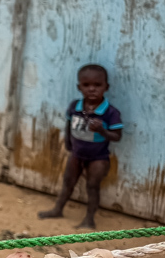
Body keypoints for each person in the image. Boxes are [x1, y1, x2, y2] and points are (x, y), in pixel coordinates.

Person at [38, 64, 123, 229]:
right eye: (86, 85)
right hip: (77, 154)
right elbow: (68, 125)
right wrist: (68, 143)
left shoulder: (110, 112)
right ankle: (57, 209)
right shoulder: (75, 106)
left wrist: (102, 130)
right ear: (79, 87)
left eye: (97, 85)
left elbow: (117, 136)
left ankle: (89, 219)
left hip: (98, 157)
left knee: (92, 186)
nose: (92, 89)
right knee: (68, 182)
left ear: (106, 87)